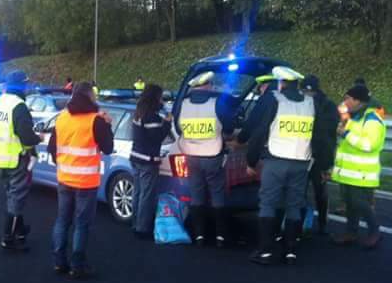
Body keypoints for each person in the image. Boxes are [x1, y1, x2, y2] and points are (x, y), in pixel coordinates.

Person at [245, 66, 316, 265]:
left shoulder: (274, 99)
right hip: (301, 163)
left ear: (281, 83)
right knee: (294, 205)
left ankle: (265, 251)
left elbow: (260, 132)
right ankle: (290, 251)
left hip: (276, 161)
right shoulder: (310, 102)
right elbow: (318, 136)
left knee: (268, 203)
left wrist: (251, 160)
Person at [48, 82, 114, 279]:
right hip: (86, 181)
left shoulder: (62, 118)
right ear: (90, 97)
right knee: (81, 223)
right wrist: (108, 125)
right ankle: (77, 265)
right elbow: (108, 148)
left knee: (62, 220)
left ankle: (59, 261)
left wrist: (64, 164)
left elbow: (52, 148)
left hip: (65, 178)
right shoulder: (96, 121)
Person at [174, 71, 234, 248]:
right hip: (213, 155)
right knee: (217, 195)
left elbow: (178, 127)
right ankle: (220, 236)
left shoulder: (183, 104)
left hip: (191, 155)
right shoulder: (217, 103)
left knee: (196, 195)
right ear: (208, 85)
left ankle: (199, 235)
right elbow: (229, 127)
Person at [0, 70, 42, 251]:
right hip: (17, 158)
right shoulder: (18, 106)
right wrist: (39, 138)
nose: (27, 87)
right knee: (17, 199)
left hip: (0, 156)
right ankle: (8, 238)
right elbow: (26, 137)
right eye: (25, 84)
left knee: (12, 195)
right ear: (21, 85)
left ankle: (19, 230)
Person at [331, 84, 387, 249]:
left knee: (360, 203)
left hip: (362, 172)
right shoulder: (355, 117)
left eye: (348, 98)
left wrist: (345, 134)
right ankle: (351, 232)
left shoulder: (372, 120)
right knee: (350, 202)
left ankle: (375, 231)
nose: (345, 102)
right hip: (349, 171)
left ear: (358, 101)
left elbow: (369, 145)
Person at [130, 84, 174, 239]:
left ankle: (135, 223)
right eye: (161, 97)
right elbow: (157, 138)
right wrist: (167, 123)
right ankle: (142, 228)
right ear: (155, 98)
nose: (162, 100)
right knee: (146, 195)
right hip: (148, 160)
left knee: (137, 192)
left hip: (136, 157)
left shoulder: (139, 113)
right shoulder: (152, 117)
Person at [300, 75, 340, 235]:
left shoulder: (324, 105)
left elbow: (327, 137)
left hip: (311, 155)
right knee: (312, 191)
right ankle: (315, 223)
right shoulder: (329, 105)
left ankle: (318, 223)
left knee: (314, 191)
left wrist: (326, 163)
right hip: (312, 155)